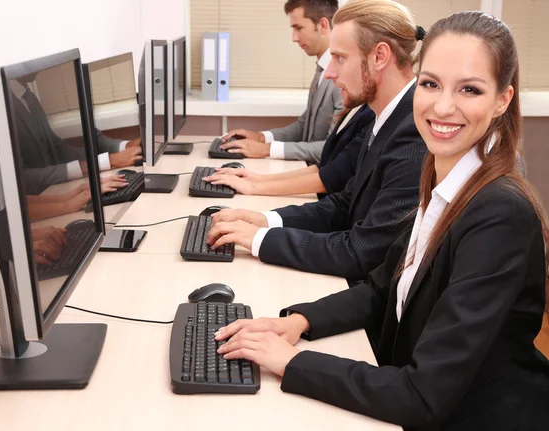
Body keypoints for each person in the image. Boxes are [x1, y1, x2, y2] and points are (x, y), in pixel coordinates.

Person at [215, 9, 549, 430]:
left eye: (469, 89)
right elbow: (382, 288)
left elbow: (421, 396)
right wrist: (298, 321)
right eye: (430, 84)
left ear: (502, 99)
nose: (442, 106)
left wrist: (295, 363)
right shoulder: (442, 178)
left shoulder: (500, 214)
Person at [207, 0, 427, 283]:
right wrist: (266, 220)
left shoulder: (413, 131)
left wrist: (261, 239)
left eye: (340, 58)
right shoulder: (385, 115)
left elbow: (361, 253)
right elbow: (345, 204)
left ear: (379, 56)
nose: (330, 72)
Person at [220, 0, 343, 162]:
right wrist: (261, 137)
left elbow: (333, 148)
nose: (294, 38)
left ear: (323, 25)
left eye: (299, 28)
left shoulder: (341, 77)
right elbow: (304, 126)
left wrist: (267, 149)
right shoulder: (321, 69)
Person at [204, 104, 374, 198]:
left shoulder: (370, 115)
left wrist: (255, 186)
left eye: (339, 59)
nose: (329, 72)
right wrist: (258, 179)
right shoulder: (359, 108)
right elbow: (325, 167)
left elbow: (330, 177)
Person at [9, 77, 142, 194]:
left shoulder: (29, 97)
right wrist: (106, 161)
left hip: (59, 191)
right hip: (42, 202)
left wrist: (123, 147)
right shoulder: (2, 106)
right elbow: (22, 179)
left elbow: (58, 148)